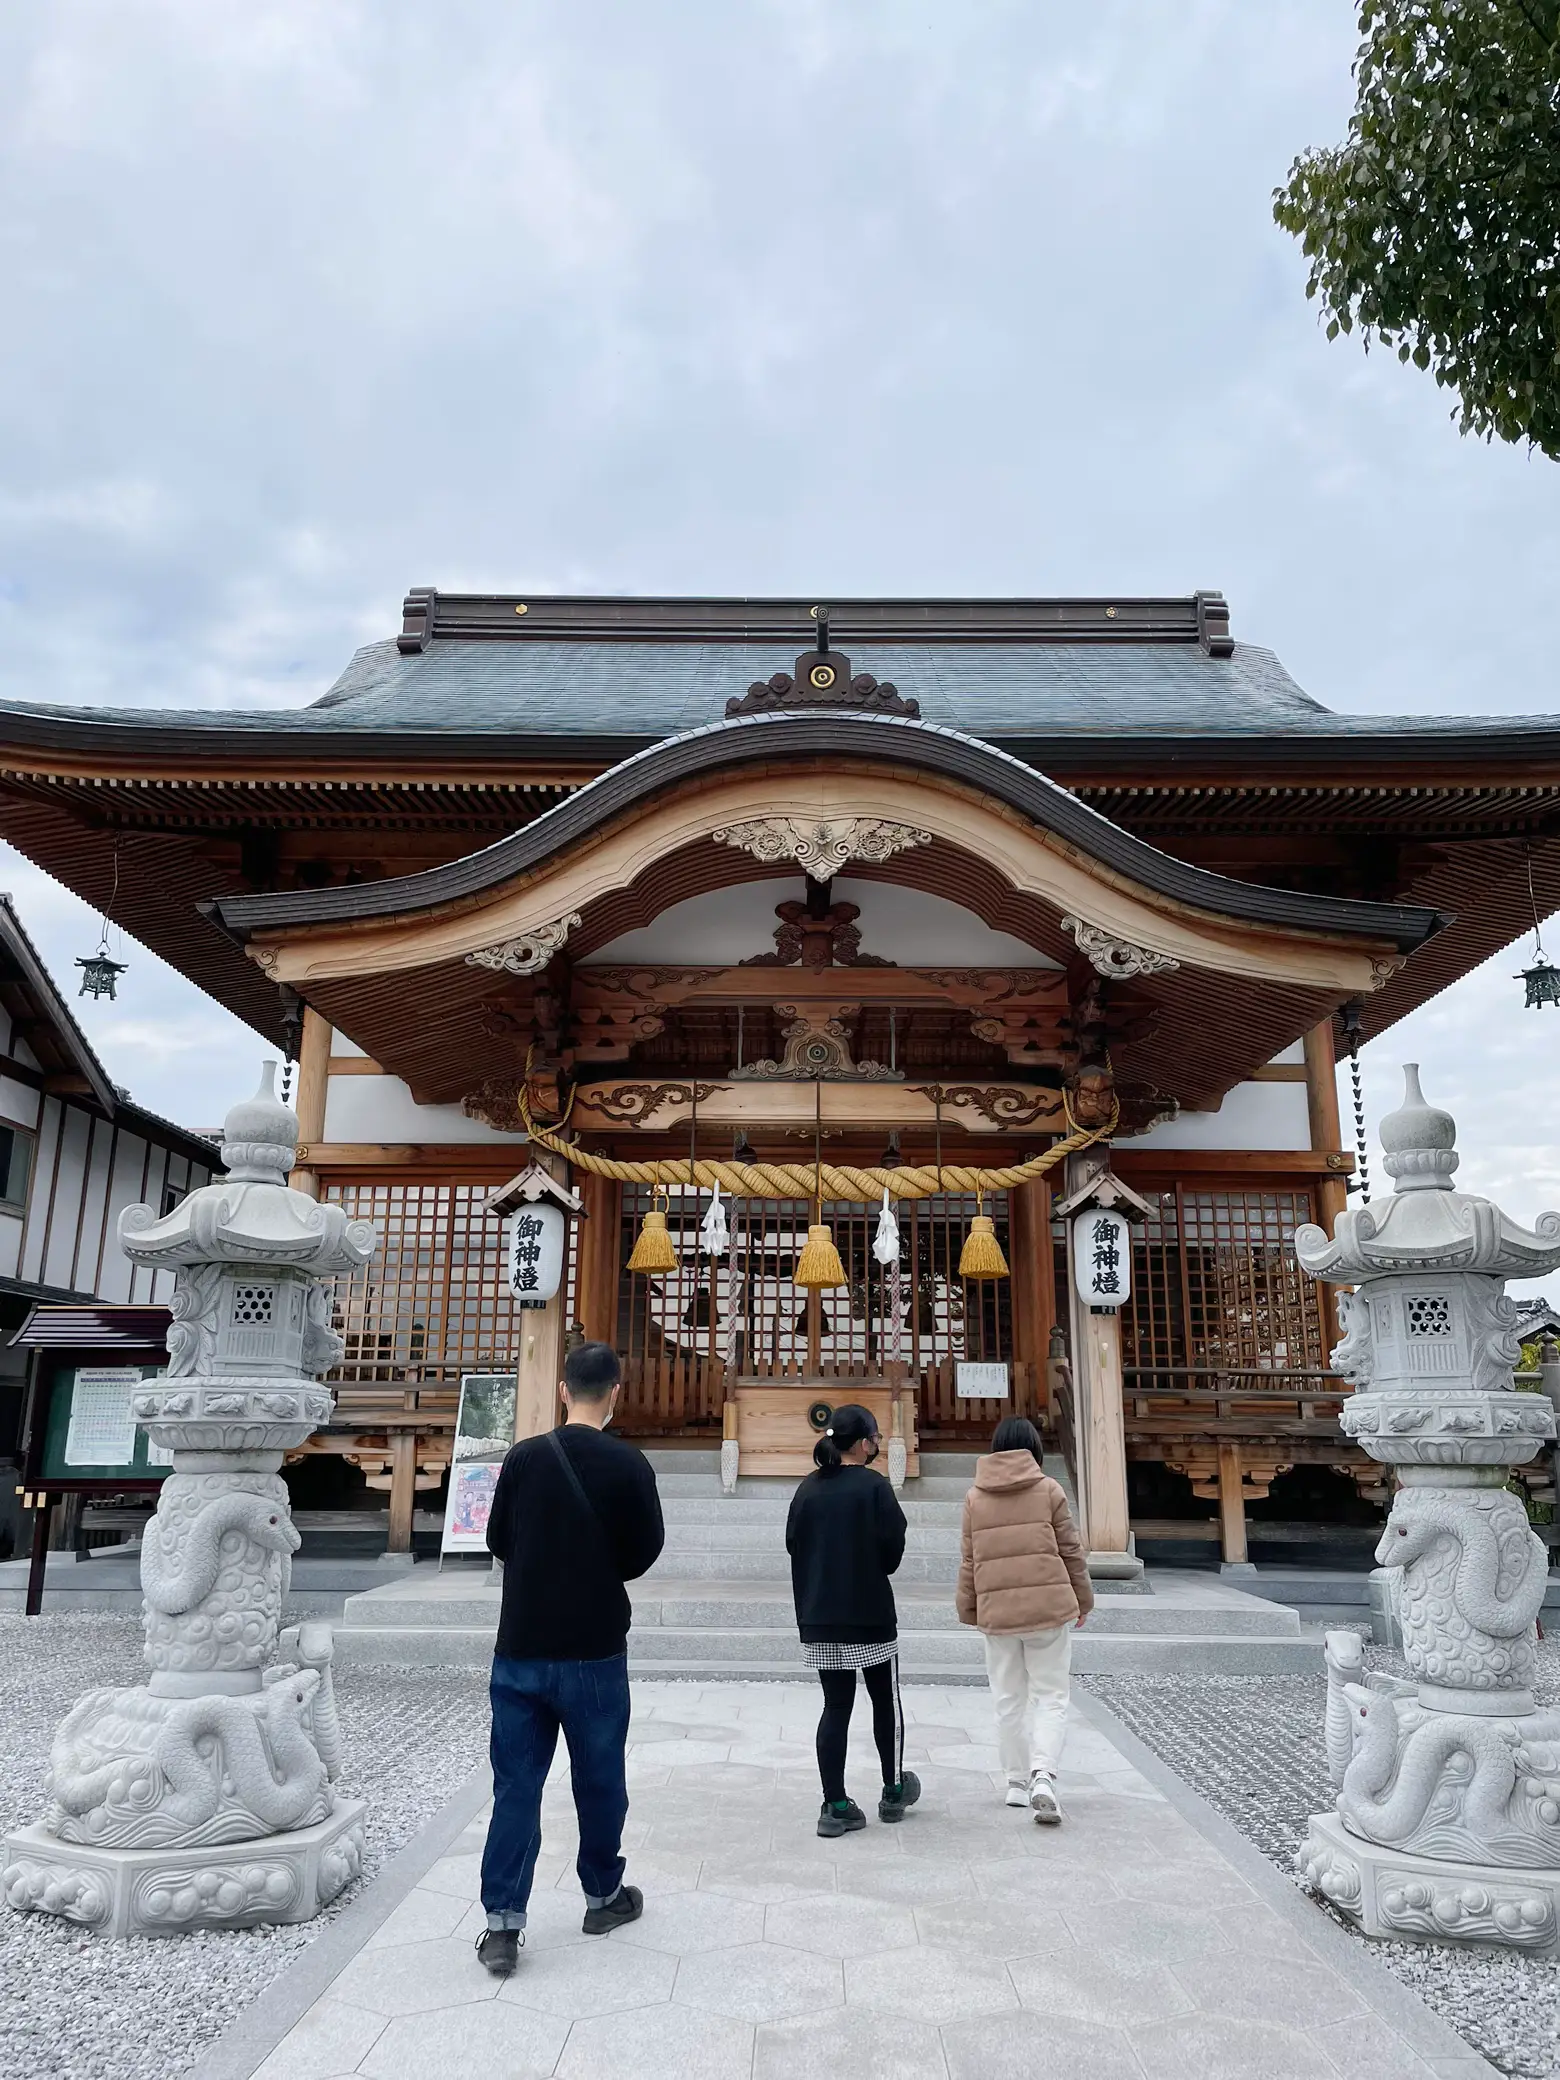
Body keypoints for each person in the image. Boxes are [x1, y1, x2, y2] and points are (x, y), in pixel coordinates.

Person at [475, 1340, 664, 1976]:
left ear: (563, 1391)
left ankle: (502, 1924)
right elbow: (643, 1554)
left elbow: (498, 1537)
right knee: (600, 1779)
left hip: (522, 1646)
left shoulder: (524, 1459)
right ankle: (602, 1894)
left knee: (516, 1786)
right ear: (617, 1390)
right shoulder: (631, 1465)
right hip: (595, 1648)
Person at [786, 1402, 921, 1837]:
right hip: (870, 1614)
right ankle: (893, 1788)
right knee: (885, 1701)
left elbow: (793, 1545)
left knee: (835, 1706)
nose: (876, 1446)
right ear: (863, 1443)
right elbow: (892, 1551)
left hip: (821, 1616)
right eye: (875, 1439)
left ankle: (835, 1804)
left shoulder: (806, 1489)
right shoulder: (874, 1487)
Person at [955, 1414, 1092, 1824]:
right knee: (1051, 1697)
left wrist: (969, 1609)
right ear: (1034, 1448)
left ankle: (1016, 1783)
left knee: (1008, 1700)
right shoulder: (1049, 1489)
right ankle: (1044, 1776)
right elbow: (1071, 1551)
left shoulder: (974, 1498)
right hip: (1048, 1608)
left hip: (998, 1615)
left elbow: (969, 1561)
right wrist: (1083, 1600)